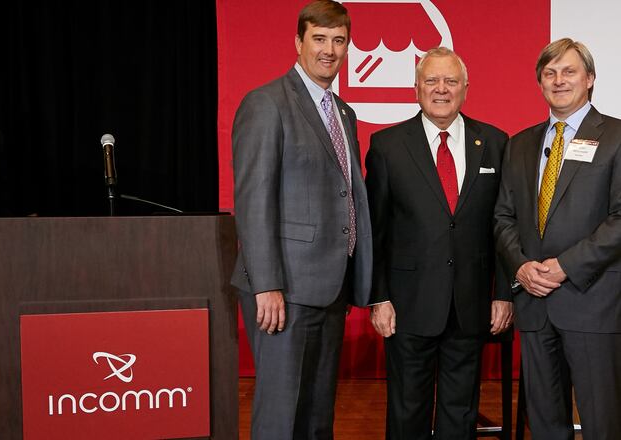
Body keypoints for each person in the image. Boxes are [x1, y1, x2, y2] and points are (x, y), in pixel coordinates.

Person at [230, 1, 372, 438]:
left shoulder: (342, 113)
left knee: (315, 417)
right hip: (283, 291)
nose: (329, 50)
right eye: (319, 39)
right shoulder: (266, 103)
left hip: (328, 288)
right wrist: (267, 284)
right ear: (298, 42)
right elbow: (254, 201)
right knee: (280, 419)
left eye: (339, 40)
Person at [366, 47, 513, 439]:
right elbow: (375, 230)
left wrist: (504, 294)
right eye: (431, 80)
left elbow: (504, 226)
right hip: (407, 305)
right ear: (416, 88)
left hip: (471, 304)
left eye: (451, 81)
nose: (441, 89)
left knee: (459, 411)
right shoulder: (387, 146)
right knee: (407, 410)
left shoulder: (496, 143)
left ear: (466, 88)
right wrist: (377, 296)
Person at [494, 38, 621, 440]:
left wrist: (565, 266)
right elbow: (503, 216)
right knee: (545, 424)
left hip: (593, 303)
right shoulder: (520, 144)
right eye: (549, 73)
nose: (558, 80)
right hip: (534, 303)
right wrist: (521, 265)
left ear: (590, 79)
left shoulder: (616, 137)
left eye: (568, 71)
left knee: (603, 423)